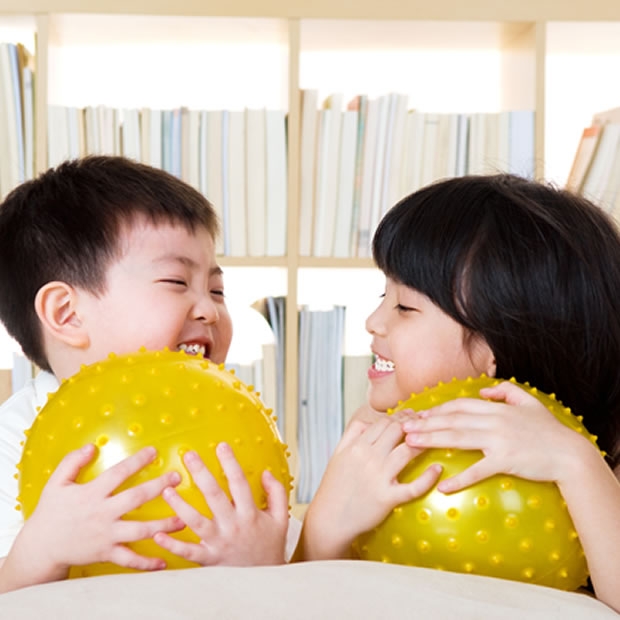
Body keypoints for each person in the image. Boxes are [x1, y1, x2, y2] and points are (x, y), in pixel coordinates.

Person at [299, 174, 620, 613]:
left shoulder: (598, 456)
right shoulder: (374, 434)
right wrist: (322, 532)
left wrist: (574, 462)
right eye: (383, 295)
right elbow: (300, 598)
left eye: (405, 306)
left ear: (498, 349)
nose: (373, 321)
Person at [0, 156, 297, 593]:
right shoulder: (14, 436)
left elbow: (281, 581)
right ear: (67, 313)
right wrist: (41, 550)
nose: (209, 309)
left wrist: (260, 561)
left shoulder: (230, 422)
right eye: (177, 282)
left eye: (216, 289)